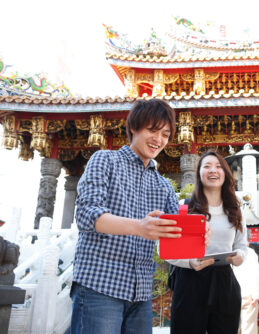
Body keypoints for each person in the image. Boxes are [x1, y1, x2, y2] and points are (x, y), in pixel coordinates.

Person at [71, 99, 195, 333]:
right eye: (152, 130)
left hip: (141, 293)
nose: (159, 140)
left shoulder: (164, 186)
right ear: (133, 128)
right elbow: (87, 215)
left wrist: (198, 233)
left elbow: (175, 234)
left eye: (166, 134)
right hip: (100, 283)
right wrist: (139, 227)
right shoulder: (104, 160)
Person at [168, 150, 247, 334]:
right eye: (207, 166)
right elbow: (166, 249)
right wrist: (189, 262)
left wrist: (240, 257)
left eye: (219, 167)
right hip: (190, 282)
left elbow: (242, 246)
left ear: (225, 174)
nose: (213, 170)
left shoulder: (235, 209)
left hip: (224, 282)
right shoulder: (184, 206)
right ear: (199, 173)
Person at [232, 245, 259, 334]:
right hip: (249, 295)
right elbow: (256, 274)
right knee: (249, 330)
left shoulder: (230, 251)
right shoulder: (250, 252)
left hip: (232, 295)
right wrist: (256, 294)